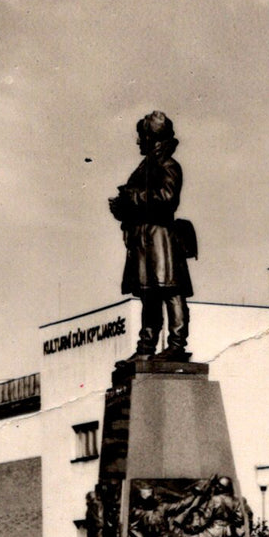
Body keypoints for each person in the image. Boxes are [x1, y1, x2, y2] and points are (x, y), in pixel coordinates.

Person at [109, 111, 195, 360]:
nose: (137, 141)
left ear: (151, 137)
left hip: (161, 240)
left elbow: (167, 199)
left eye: (140, 136)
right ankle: (146, 347)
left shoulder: (168, 165)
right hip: (144, 242)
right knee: (149, 294)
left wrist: (131, 198)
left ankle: (176, 345)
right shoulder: (146, 167)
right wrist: (121, 208)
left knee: (169, 290)